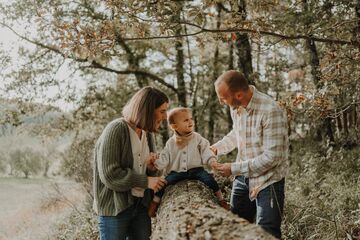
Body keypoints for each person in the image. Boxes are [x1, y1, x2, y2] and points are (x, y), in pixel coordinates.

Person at [211, 70, 289, 239]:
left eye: (223, 98)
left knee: (266, 233)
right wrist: (217, 148)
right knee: (236, 226)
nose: (221, 101)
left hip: (268, 181)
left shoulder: (270, 111)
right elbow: (236, 134)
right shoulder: (237, 107)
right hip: (242, 179)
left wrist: (233, 168)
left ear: (238, 94)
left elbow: (272, 158)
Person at [93, 86, 169, 240]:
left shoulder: (147, 134)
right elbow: (110, 175)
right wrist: (146, 181)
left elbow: (149, 173)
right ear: (147, 110)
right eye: (162, 111)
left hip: (141, 206)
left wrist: (151, 169)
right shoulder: (116, 129)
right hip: (115, 209)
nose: (166, 116)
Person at [147, 107, 230, 217]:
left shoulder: (197, 138)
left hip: (196, 170)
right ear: (174, 126)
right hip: (176, 172)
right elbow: (165, 157)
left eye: (191, 118)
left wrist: (212, 161)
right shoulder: (171, 143)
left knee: (209, 179)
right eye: (186, 120)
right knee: (163, 183)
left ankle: (221, 200)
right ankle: (155, 202)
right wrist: (157, 162)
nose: (190, 121)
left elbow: (206, 150)